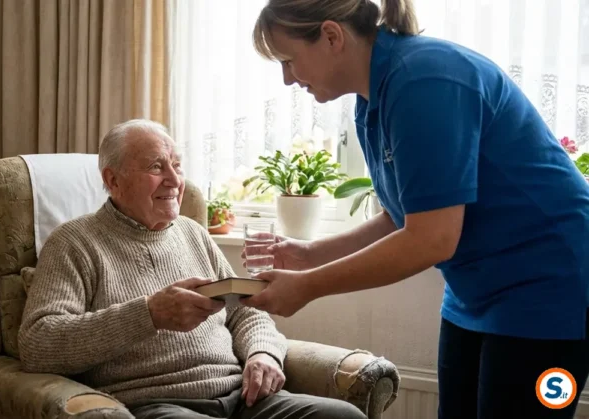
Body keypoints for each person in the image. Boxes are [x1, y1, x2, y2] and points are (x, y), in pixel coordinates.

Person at [243, 0, 589, 418]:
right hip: (475, 293)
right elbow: (402, 215)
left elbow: (432, 239)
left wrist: (308, 286)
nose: (286, 79)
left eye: (289, 60)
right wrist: (308, 255)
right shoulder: (372, 100)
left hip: (550, 288)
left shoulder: (423, 80)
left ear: (332, 36)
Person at [18, 119, 366, 419]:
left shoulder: (192, 232)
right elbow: (38, 343)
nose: (174, 180)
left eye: (177, 165)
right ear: (113, 180)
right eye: (156, 167)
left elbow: (246, 311)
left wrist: (262, 353)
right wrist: (148, 314)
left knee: (344, 416)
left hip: (242, 397)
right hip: (158, 403)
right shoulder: (74, 243)